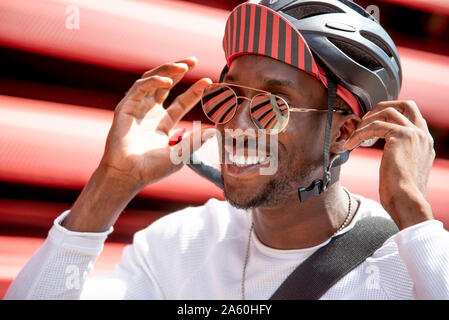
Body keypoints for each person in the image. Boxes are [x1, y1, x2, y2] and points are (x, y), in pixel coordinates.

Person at [5, 0, 449, 300]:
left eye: (272, 105)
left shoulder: (410, 265)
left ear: (343, 132)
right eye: (226, 98)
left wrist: (412, 211)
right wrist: (111, 185)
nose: (236, 125)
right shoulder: (179, 244)